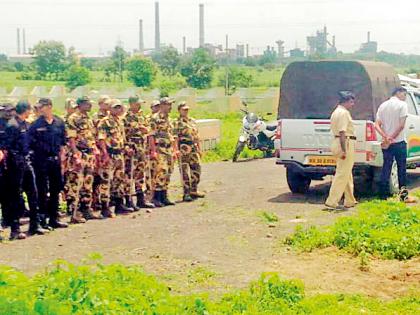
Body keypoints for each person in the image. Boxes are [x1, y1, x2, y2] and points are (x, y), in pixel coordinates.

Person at [4, 101, 48, 239]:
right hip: (16, 165)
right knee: (16, 196)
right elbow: (8, 147)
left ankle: (34, 225)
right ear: (26, 110)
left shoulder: (24, 124)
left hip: (26, 162)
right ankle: (15, 229)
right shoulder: (12, 125)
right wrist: (15, 162)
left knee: (33, 194)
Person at [29, 98, 68, 230]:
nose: (40, 109)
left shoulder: (59, 122)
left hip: (55, 160)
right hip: (41, 161)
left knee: (55, 189)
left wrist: (62, 158)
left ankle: (54, 218)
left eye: (42, 107)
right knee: (42, 190)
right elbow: (30, 144)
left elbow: (63, 143)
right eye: (39, 107)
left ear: (50, 106)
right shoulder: (35, 125)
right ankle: (42, 219)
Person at [65, 96, 102, 223]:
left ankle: (86, 209)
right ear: (80, 105)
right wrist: (75, 154)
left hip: (89, 154)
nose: (90, 105)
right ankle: (74, 213)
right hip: (79, 153)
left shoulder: (88, 119)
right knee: (76, 184)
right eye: (87, 103)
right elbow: (71, 138)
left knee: (87, 183)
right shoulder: (73, 118)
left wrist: (95, 149)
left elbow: (90, 136)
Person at [375, 87, 414, 201]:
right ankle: (403, 195)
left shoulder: (383, 105)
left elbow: (376, 125)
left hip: (387, 143)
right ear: (398, 93)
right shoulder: (402, 105)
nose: (405, 97)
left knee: (386, 167)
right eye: (404, 94)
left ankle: (383, 194)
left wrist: (386, 137)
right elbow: (401, 125)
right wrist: (392, 138)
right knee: (401, 168)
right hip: (399, 141)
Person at [96, 99, 133, 215]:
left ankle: (119, 204)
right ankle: (104, 207)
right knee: (106, 181)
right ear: (109, 109)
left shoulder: (119, 121)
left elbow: (122, 138)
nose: (118, 109)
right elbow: (101, 138)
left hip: (119, 154)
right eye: (115, 107)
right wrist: (105, 154)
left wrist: (126, 148)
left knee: (119, 179)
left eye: (119, 107)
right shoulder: (104, 122)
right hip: (110, 154)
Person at [325, 91, 357, 211]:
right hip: (345, 142)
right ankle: (332, 201)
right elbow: (342, 132)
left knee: (346, 172)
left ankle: (350, 200)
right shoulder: (343, 113)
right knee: (342, 173)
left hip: (338, 141)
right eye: (351, 101)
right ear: (346, 101)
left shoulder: (336, 112)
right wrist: (344, 150)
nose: (352, 104)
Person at [123, 95, 155, 211]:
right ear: (131, 104)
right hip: (132, 149)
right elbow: (123, 135)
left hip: (142, 149)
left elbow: (148, 130)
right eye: (137, 104)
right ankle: (128, 200)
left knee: (140, 175)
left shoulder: (142, 117)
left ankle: (141, 199)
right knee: (129, 175)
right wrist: (126, 147)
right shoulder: (126, 118)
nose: (139, 105)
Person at [149, 97, 178, 207]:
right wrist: (153, 151)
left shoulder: (169, 119)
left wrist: (175, 150)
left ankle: (164, 196)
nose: (170, 107)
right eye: (168, 104)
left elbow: (172, 136)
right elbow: (151, 135)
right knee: (160, 172)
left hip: (168, 149)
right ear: (162, 105)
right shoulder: (155, 118)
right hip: (159, 148)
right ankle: (157, 197)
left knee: (168, 172)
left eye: (171, 104)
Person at [173, 102, 205, 201]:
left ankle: (194, 190)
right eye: (184, 109)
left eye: (187, 109)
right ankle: (186, 193)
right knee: (184, 171)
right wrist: (176, 150)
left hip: (193, 147)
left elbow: (197, 136)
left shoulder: (192, 121)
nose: (186, 111)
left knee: (197, 169)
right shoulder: (177, 122)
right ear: (179, 110)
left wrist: (199, 149)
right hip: (183, 147)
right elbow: (175, 137)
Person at [145, 100, 160, 205]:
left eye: (158, 106)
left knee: (159, 173)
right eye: (155, 107)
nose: (157, 108)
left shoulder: (162, 119)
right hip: (150, 149)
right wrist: (152, 150)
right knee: (150, 174)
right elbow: (150, 135)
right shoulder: (149, 119)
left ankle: (158, 195)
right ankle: (150, 196)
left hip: (161, 149)